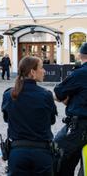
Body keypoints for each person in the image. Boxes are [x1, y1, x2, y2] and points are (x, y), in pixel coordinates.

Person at [2, 56, 57, 175]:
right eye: (42, 68)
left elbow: (7, 119)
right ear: (32, 72)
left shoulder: (8, 95)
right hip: (41, 154)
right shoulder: (46, 95)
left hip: (17, 154)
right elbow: (51, 120)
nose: (44, 71)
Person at [54, 42, 87, 176]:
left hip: (80, 127)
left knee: (58, 155)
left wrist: (69, 100)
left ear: (80, 55)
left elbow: (58, 94)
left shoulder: (80, 73)